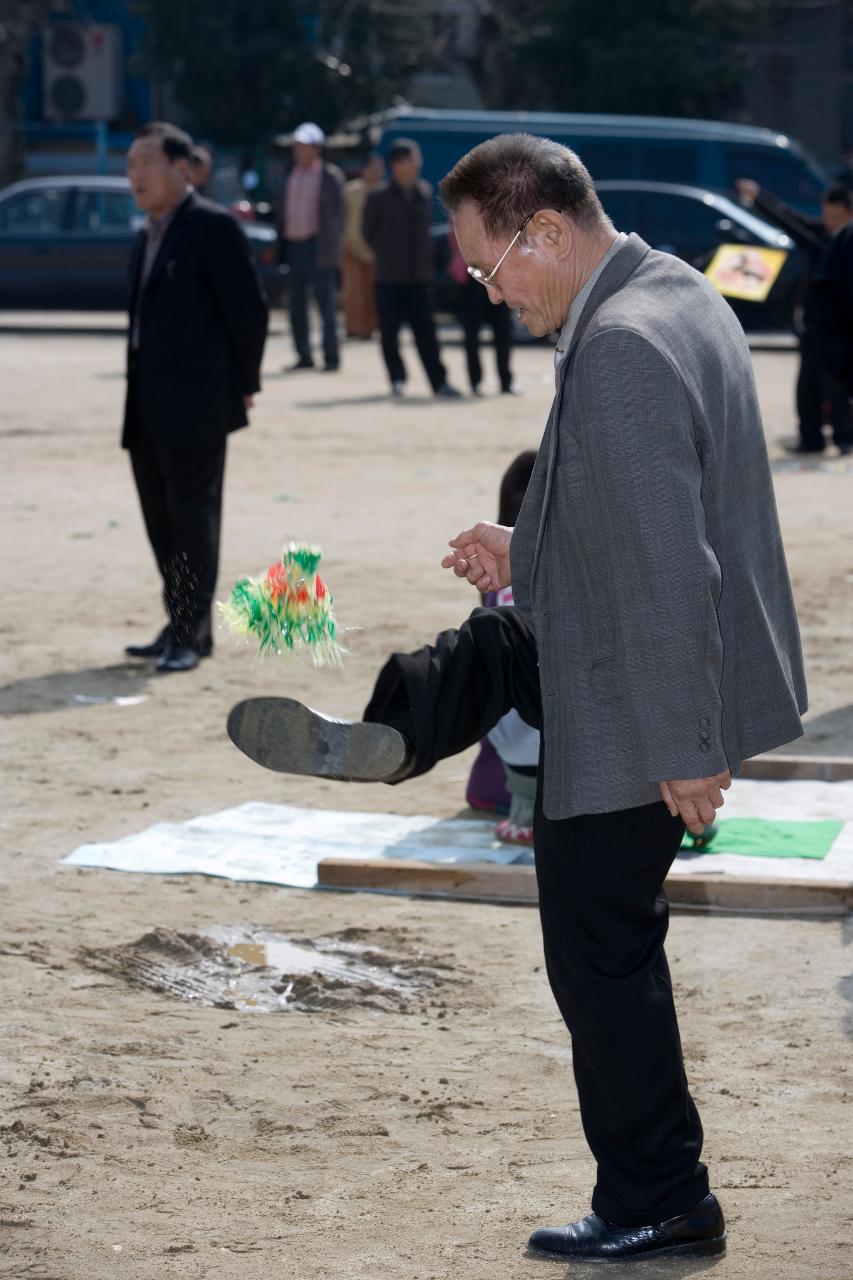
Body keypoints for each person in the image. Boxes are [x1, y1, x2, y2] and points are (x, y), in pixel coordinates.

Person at [226, 133, 807, 1262]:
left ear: (544, 230)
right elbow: (636, 506)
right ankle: (404, 727)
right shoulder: (671, 289)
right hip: (614, 653)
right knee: (494, 644)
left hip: (641, 701)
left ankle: (659, 1195)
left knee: (598, 953)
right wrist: (523, 538)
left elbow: (667, 564)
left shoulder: (624, 344)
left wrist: (686, 746)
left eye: (494, 270)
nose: (492, 296)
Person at [123, 121, 268, 673]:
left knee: (192, 521)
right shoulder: (146, 234)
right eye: (131, 163)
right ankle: (178, 620)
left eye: (146, 162)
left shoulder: (212, 227)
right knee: (160, 520)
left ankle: (191, 632)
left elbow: (247, 312)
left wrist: (245, 382)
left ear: (183, 168)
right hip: (145, 405)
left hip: (198, 405)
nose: (135, 173)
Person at [737, 179, 853, 455]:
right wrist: (760, 197)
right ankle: (810, 438)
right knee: (807, 387)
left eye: (837, 218)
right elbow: (789, 219)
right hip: (814, 327)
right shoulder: (820, 235)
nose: (830, 223)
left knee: (837, 386)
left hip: (841, 330)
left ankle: (845, 437)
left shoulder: (847, 244)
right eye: (827, 216)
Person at [466, 451, 539, 845]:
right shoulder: (529, 575)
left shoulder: (494, 574)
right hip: (531, 726)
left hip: (505, 724)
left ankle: (521, 802)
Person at [363, 139, 461, 399]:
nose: (417, 164)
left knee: (427, 333)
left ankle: (439, 382)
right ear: (396, 165)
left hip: (419, 277)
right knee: (390, 333)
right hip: (388, 277)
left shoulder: (424, 192)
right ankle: (397, 378)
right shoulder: (379, 196)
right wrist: (387, 254)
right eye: (411, 160)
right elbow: (368, 233)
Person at [280, 122, 345, 373]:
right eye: (297, 146)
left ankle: (331, 357)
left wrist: (333, 243)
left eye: (303, 146)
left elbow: (340, 214)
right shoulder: (291, 174)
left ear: (316, 149)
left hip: (319, 247)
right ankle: (304, 355)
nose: (298, 150)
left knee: (325, 304)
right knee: (296, 304)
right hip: (294, 246)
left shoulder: (329, 176)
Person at [449, 228, 516, 396]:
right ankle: (475, 382)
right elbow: (454, 237)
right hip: (471, 277)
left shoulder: (500, 204)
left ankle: (506, 382)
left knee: (503, 332)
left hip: (498, 274)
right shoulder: (464, 204)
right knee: (471, 334)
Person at [342, 153, 384, 339]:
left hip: (378, 251)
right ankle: (353, 327)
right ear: (364, 169)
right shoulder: (351, 190)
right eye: (372, 167)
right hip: (351, 247)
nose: (375, 172)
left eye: (378, 168)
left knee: (373, 292)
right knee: (353, 291)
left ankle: (370, 328)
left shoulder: (385, 191)